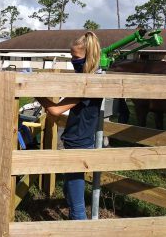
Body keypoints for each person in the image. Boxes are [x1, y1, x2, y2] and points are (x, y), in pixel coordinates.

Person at [36, 31, 102, 220]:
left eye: (75, 57)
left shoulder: (88, 83)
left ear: (88, 56)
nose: (73, 60)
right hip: (78, 136)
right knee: (70, 183)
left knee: (75, 190)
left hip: (79, 138)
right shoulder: (86, 79)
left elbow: (56, 111)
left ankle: (78, 225)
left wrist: (38, 94)